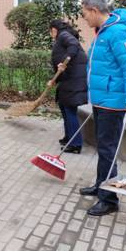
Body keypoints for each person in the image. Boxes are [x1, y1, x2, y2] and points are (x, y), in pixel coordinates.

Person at [79, 0, 126, 217]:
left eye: (85, 14)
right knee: (104, 148)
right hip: (102, 100)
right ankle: (101, 186)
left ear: (94, 10)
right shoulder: (104, 31)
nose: (85, 19)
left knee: (107, 150)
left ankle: (109, 200)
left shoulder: (118, 32)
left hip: (112, 104)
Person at [49, 19, 88, 154]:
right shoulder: (62, 37)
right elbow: (61, 65)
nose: (51, 34)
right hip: (69, 79)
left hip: (74, 80)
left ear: (54, 29)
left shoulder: (64, 35)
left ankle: (75, 144)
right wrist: (55, 80)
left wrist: (66, 60)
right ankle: (69, 137)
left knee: (69, 109)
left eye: (50, 31)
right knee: (64, 106)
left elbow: (73, 45)